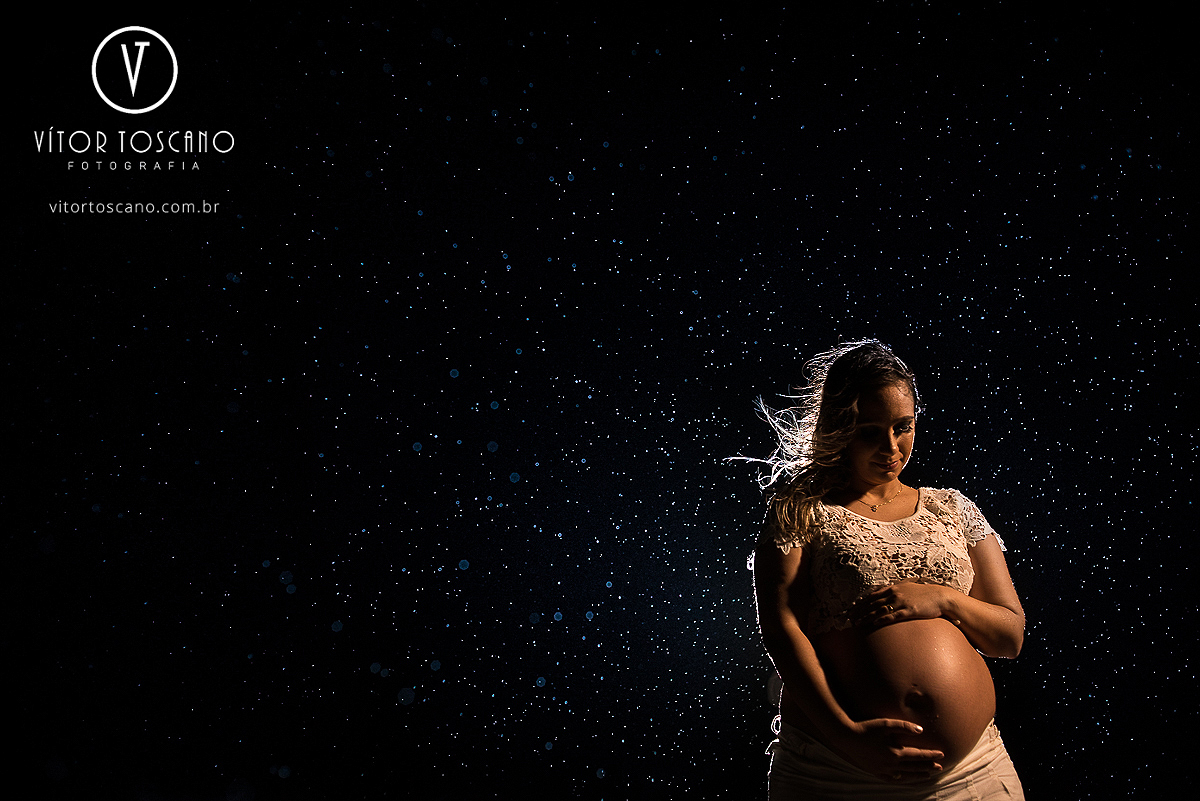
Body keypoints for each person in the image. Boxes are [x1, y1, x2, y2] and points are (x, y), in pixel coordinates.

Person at [746, 340, 1025, 799]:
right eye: (870, 431)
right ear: (839, 428)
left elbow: (1010, 637)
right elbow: (781, 629)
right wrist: (846, 737)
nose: (891, 447)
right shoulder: (801, 511)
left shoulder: (952, 508)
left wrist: (943, 599)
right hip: (836, 770)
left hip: (972, 775)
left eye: (903, 427)